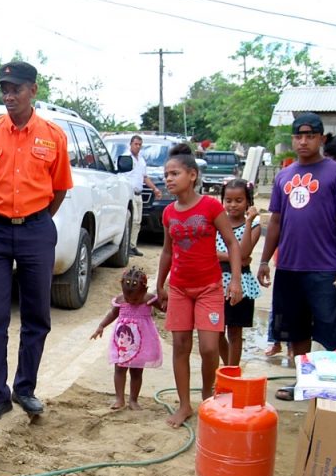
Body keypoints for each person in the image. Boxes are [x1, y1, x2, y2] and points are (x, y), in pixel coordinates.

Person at [0, 61, 73, 425]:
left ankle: (24, 388)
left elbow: (58, 190)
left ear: (33, 90)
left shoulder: (54, 136)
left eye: (16, 89)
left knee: (36, 315)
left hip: (36, 229)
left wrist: (33, 218)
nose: (8, 96)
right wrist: (5, 215)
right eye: (4, 90)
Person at [257, 113, 336, 401]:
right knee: (295, 332)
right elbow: (275, 221)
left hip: (325, 268)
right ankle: (303, 382)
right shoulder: (283, 177)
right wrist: (265, 261)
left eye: (310, 136)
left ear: (321, 139)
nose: (303, 141)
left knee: (329, 330)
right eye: (298, 136)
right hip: (289, 266)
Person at [156, 144, 242, 428]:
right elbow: (167, 251)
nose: (168, 179)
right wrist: (160, 285)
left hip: (209, 288)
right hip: (179, 288)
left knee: (207, 347)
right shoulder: (169, 212)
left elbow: (232, 243)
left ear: (192, 175)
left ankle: (208, 397)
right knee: (180, 345)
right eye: (166, 174)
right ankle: (184, 405)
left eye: (174, 173)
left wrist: (237, 281)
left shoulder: (211, 206)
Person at [90, 267, 162, 410]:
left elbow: (164, 307)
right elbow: (112, 314)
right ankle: (119, 399)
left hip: (141, 343)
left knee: (137, 372)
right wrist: (101, 326)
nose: (131, 301)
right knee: (120, 369)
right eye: (128, 297)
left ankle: (133, 400)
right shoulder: (121, 300)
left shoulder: (149, 299)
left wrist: (167, 301)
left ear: (144, 290)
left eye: (135, 298)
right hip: (123, 342)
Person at [215, 179, 262, 366]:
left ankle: (232, 371)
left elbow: (244, 252)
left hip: (241, 285)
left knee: (235, 331)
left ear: (248, 202)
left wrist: (249, 221)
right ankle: (228, 367)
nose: (233, 205)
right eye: (228, 200)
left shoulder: (254, 226)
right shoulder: (216, 223)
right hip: (216, 282)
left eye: (239, 200)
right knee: (216, 330)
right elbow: (210, 252)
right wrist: (235, 257)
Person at [126, 134, 162, 257]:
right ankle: (127, 247)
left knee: (138, 222)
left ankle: (132, 245)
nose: (138, 147)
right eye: (135, 144)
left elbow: (144, 177)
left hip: (139, 193)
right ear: (130, 144)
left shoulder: (141, 160)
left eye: (140, 145)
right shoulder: (125, 158)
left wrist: (155, 189)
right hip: (129, 193)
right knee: (132, 220)